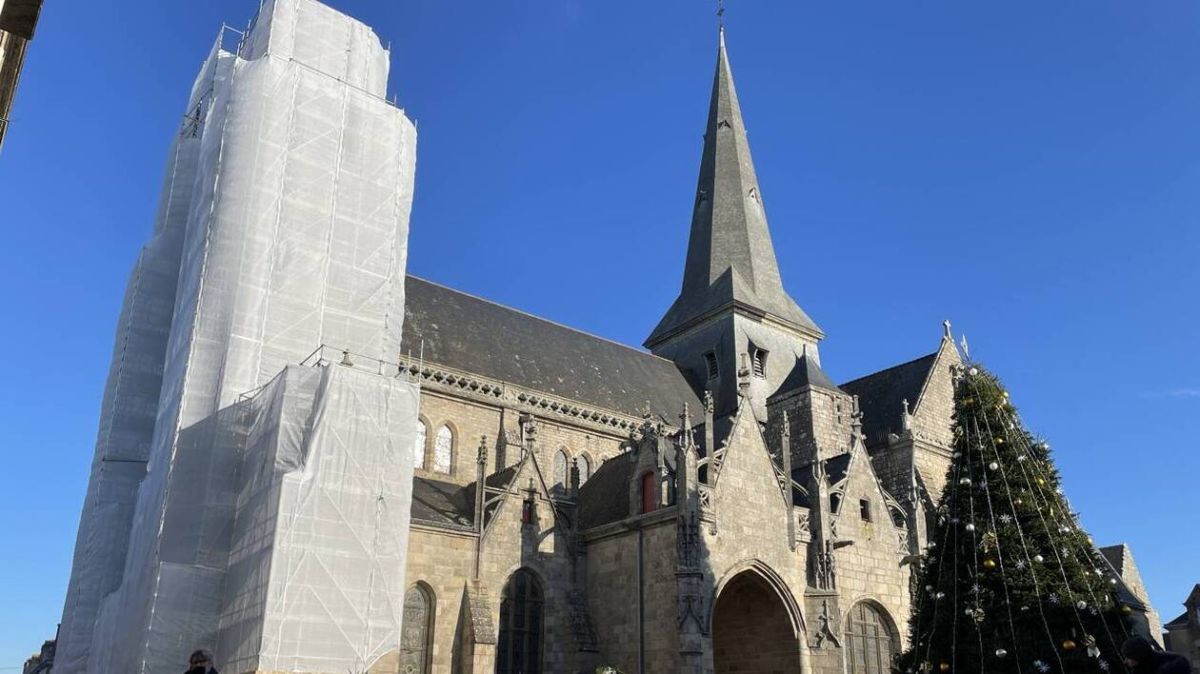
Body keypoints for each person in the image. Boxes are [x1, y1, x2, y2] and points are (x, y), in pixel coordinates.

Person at [1122, 636, 1192, 674]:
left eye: (1128, 657)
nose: (1125, 661)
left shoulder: (1172, 664)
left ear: (1138, 656)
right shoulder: (1140, 669)